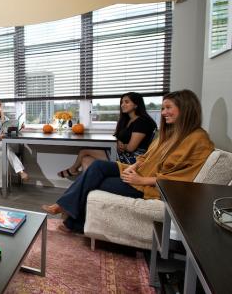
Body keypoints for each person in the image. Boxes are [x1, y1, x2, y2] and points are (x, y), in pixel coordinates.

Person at [42, 90, 214, 233]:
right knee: (96, 166)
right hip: (138, 171)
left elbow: (185, 178)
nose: (163, 112)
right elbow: (146, 157)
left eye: (168, 108)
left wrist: (142, 180)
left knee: (94, 180)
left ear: (186, 109)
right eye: (162, 108)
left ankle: (72, 221)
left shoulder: (198, 140)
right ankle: (65, 208)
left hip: (149, 185)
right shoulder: (169, 133)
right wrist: (133, 167)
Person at [57, 92, 157, 178]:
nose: (122, 105)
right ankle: (87, 188)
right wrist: (119, 142)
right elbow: (120, 137)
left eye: (127, 102)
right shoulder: (127, 120)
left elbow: (131, 148)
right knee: (86, 160)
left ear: (136, 105)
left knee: (84, 151)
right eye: (122, 102)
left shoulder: (142, 122)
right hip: (123, 153)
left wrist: (123, 145)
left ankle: (73, 170)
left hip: (132, 159)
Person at [0, 99, 29, 188]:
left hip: (3, 147)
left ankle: (3, 186)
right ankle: (21, 171)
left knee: (3, 153)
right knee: (5, 146)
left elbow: (11, 132)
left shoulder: (6, 119)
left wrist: (19, 128)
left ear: (1, 109)